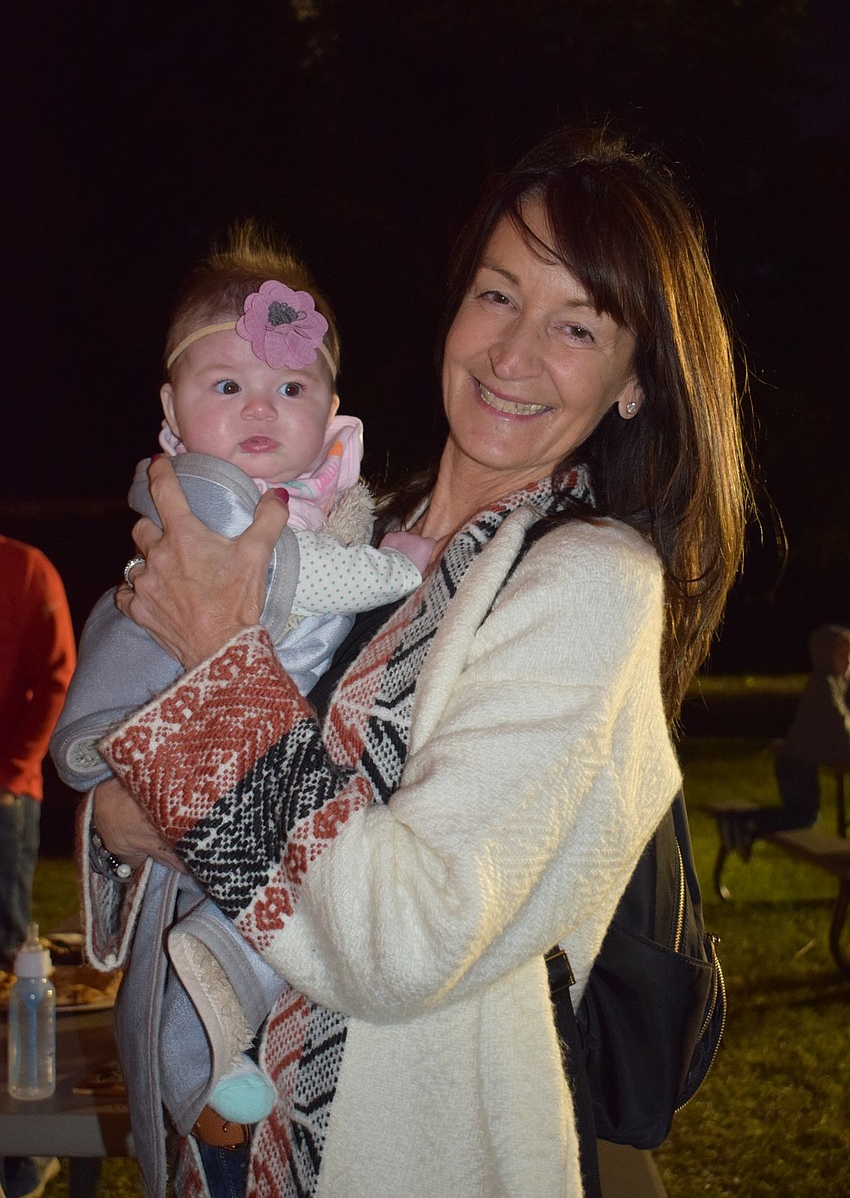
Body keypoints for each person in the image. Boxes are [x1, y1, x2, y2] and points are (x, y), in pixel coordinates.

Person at [82, 125, 749, 1198]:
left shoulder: (588, 583)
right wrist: (114, 816)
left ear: (635, 379)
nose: (512, 354)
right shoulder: (347, 534)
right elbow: (156, 769)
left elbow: (404, 936)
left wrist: (209, 663)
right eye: (496, 295)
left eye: (576, 324)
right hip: (229, 1145)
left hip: (407, 1153)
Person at [50, 225, 432, 1193]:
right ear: (173, 416)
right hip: (232, 800)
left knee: (232, 949)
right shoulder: (217, 503)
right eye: (227, 387)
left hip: (276, 831)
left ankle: (215, 1095)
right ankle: (215, 1094)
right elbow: (285, 579)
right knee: (220, 956)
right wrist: (398, 566)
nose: (262, 406)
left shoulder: (315, 499)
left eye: (290, 388)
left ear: (331, 413)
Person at [0, 534, 75, 1198]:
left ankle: (24, 1154)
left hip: (4, 796)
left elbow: (56, 675)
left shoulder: (23, 568)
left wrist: (12, 768)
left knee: (7, 971)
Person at [718, 624, 850, 859]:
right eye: (842, 656)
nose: (848, 662)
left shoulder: (832, 684)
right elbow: (839, 725)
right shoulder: (823, 685)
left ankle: (745, 828)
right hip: (796, 765)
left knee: (802, 815)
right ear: (824, 655)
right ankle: (741, 822)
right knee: (804, 817)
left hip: (799, 763)